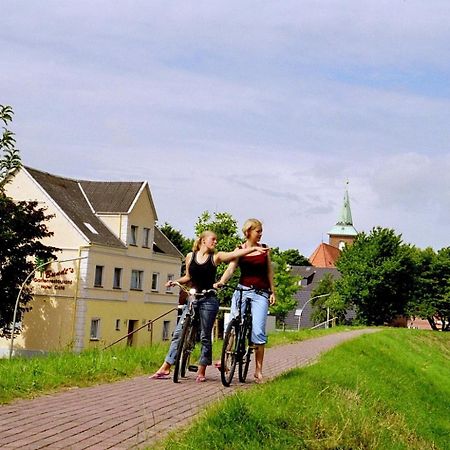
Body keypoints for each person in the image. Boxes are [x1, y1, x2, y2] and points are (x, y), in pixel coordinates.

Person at [150, 229, 269, 382]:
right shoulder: (189, 257)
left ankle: (201, 370)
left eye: (216, 240)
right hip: (193, 298)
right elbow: (188, 276)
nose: (215, 242)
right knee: (178, 333)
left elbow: (232, 256)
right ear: (202, 240)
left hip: (208, 300)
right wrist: (176, 282)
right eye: (213, 239)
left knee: (205, 335)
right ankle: (166, 367)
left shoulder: (216, 257)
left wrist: (252, 248)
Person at [217, 219, 276, 383]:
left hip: (261, 293)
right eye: (258, 231)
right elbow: (230, 269)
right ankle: (226, 357)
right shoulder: (240, 249)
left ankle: (258, 371)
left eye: (261, 231)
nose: (261, 234)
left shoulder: (264, 250)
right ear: (248, 232)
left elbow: (269, 272)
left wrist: (273, 291)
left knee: (258, 331)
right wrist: (222, 282)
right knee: (234, 323)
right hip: (242, 289)